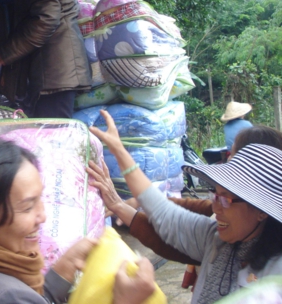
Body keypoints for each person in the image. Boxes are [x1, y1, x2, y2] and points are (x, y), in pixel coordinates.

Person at [0, 138, 156, 303]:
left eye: (40, 199)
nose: (42, 216)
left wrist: (62, 271)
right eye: (27, 207)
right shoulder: (6, 296)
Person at [88, 110, 282, 304]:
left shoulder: (275, 277)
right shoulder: (214, 240)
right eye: (215, 195)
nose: (216, 208)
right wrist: (119, 151)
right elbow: (164, 212)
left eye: (225, 200)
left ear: (262, 211)